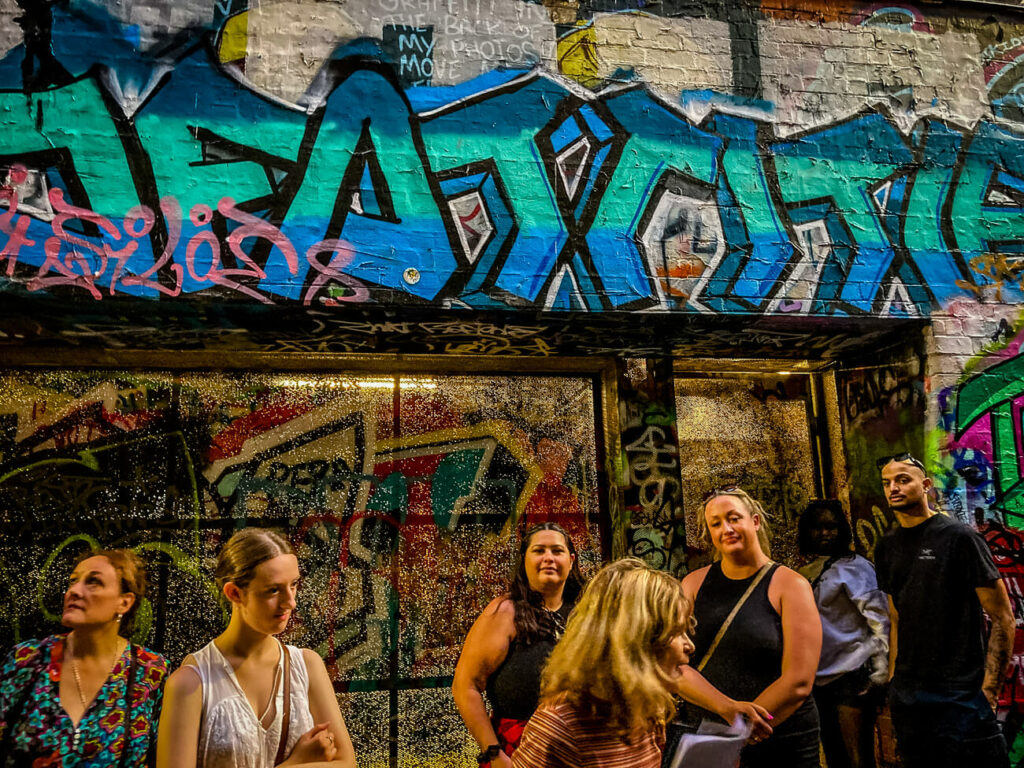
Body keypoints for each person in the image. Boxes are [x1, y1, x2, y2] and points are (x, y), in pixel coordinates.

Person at [156, 527, 355, 768]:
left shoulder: (307, 665)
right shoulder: (190, 684)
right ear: (235, 593)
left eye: (293, 585)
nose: (290, 602)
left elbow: (346, 762)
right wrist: (299, 762)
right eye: (273, 590)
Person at [875, 453, 1015, 768]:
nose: (893, 488)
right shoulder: (887, 546)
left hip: (961, 696)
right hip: (910, 698)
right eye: (887, 483)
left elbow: (1003, 617)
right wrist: (896, 680)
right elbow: (895, 616)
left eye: (902, 479)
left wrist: (989, 692)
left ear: (925, 486)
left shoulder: (958, 538)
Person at [675, 486, 822, 768]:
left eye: (734, 518)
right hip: (709, 733)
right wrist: (727, 712)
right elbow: (673, 665)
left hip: (780, 736)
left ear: (754, 521)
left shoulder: (790, 585)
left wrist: (743, 732)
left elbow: (799, 681)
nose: (726, 529)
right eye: (715, 523)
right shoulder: (692, 585)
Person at [510, 558, 695, 768]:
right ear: (636, 640)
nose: (689, 645)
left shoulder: (646, 708)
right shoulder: (559, 725)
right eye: (676, 632)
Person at [0, 548, 168, 766]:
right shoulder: (27, 659)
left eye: (93, 582)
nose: (74, 591)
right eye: (73, 581)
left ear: (124, 602)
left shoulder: (149, 671)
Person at [453, 523, 585, 768]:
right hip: (517, 751)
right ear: (524, 559)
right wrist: (493, 753)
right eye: (539, 551)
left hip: (582, 749)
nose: (549, 558)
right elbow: (465, 686)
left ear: (571, 559)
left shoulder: (588, 611)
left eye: (557, 551)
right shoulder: (505, 611)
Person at [797, 499, 889, 768]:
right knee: (834, 754)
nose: (825, 533)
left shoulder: (856, 567)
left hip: (852, 676)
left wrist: (880, 670)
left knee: (857, 757)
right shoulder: (805, 571)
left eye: (832, 527)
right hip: (818, 680)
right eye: (817, 527)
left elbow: (880, 619)